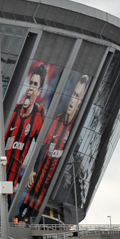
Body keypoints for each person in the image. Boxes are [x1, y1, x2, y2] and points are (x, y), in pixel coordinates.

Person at [0, 62, 49, 221]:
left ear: (39, 91)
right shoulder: (14, 111)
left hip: (10, 182)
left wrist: (33, 169)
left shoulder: (39, 115)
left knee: (0, 217)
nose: (31, 88)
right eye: (30, 83)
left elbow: (42, 146)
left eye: (35, 85)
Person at [19, 74, 90, 220]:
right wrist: (31, 170)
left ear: (81, 102)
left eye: (77, 97)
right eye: (73, 95)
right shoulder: (56, 120)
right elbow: (38, 146)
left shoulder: (77, 131)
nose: (72, 100)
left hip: (52, 199)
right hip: (34, 193)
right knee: (20, 221)